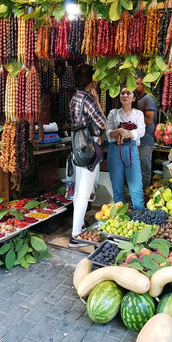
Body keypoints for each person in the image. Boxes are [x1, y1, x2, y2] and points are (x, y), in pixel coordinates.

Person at [69, 64, 106, 247]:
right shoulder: (88, 99)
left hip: (78, 147)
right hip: (89, 147)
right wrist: (97, 100)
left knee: (78, 191)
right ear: (92, 81)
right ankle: (75, 235)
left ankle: (79, 225)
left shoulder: (74, 97)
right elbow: (103, 123)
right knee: (84, 193)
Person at [106, 87, 145, 210]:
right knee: (117, 187)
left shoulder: (138, 114)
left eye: (128, 93)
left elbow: (141, 131)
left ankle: (140, 216)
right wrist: (120, 131)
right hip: (115, 150)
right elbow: (108, 132)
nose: (125, 95)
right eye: (122, 93)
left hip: (131, 148)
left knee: (136, 187)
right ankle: (120, 217)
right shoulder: (113, 113)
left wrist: (127, 134)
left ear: (133, 98)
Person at [135, 70, 157, 189]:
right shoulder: (139, 99)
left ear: (144, 84)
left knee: (144, 170)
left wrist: (134, 115)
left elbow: (149, 120)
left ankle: (143, 195)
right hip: (139, 140)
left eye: (137, 84)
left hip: (145, 141)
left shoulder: (148, 100)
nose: (135, 86)